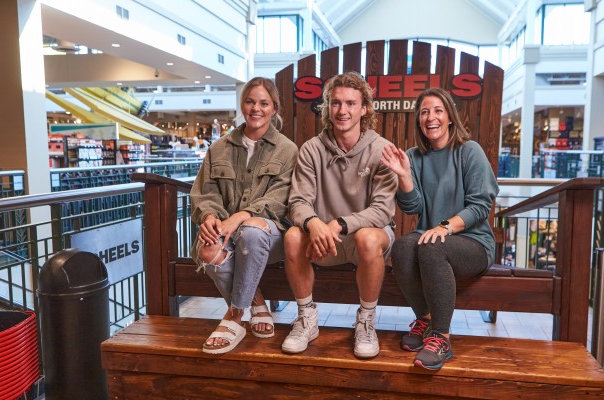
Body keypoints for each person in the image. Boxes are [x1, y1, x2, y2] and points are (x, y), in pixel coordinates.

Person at [380, 87, 499, 370]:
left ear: (449, 118)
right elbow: (412, 207)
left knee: (431, 245)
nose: (430, 117)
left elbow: (481, 205)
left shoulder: (469, 151)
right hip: (433, 240)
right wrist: (405, 176)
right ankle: (425, 318)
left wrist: (445, 227)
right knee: (402, 246)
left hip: (473, 243)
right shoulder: (414, 156)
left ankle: (442, 337)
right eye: (424, 112)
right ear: (419, 121)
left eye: (437, 111)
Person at [282, 72, 398, 359]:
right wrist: (314, 223)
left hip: (365, 240)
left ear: (364, 109)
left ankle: (366, 321)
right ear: (327, 107)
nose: (342, 111)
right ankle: (307, 318)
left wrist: (339, 224)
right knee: (294, 235)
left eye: (350, 103)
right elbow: (298, 202)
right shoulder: (311, 149)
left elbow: (382, 210)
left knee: (369, 238)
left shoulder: (382, 150)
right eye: (335, 103)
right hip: (324, 241)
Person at [190, 77, 298, 354]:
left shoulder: (288, 150)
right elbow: (204, 192)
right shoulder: (219, 148)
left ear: (274, 108)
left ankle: (234, 316)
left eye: (264, 103)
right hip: (225, 230)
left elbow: (282, 198)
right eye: (250, 102)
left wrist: (239, 217)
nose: (256, 108)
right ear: (242, 105)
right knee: (208, 250)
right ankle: (256, 301)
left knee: (250, 230)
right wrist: (209, 217)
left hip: (269, 236)